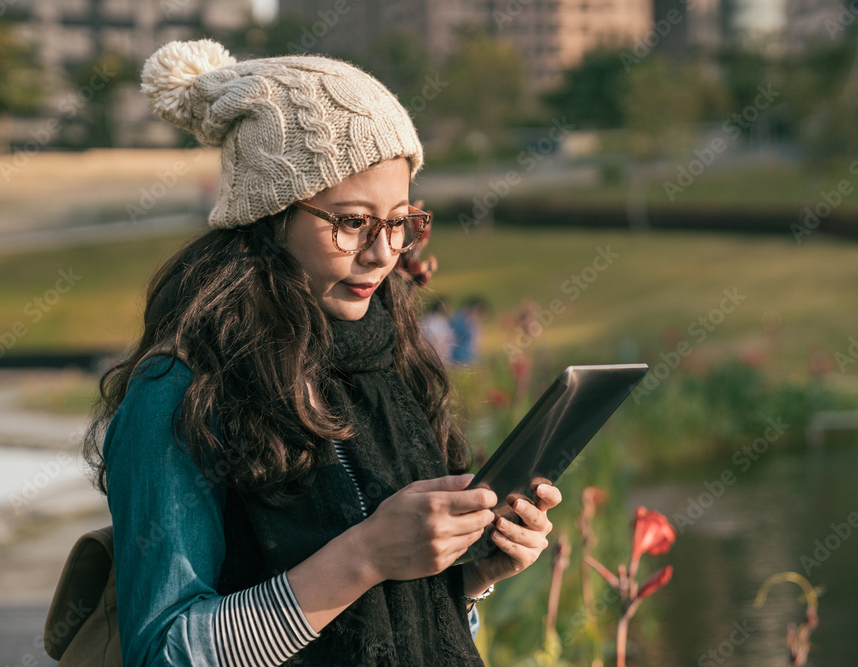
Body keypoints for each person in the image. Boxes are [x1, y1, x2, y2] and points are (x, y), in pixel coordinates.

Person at [82, 39, 561, 667]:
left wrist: (468, 572)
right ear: (268, 217)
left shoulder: (390, 363)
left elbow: (380, 626)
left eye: (400, 221)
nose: (385, 253)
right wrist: (366, 554)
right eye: (354, 221)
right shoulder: (179, 390)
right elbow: (165, 650)